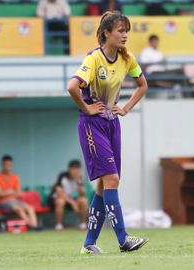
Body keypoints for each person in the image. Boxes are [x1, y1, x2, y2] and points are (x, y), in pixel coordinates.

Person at [67, 11, 149, 254]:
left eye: (127, 31)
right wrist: (87, 107)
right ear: (106, 33)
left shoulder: (127, 58)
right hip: (92, 125)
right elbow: (72, 86)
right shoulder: (93, 59)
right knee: (112, 179)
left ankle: (88, 244)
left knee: (105, 186)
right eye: (120, 31)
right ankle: (123, 239)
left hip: (112, 123)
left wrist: (125, 108)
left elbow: (143, 85)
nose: (125, 35)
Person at [0, 155, 40, 230]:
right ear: (2, 165)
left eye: (9, 165)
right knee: (19, 209)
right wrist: (12, 192)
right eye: (6, 165)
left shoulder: (15, 177)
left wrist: (9, 192)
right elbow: (0, 194)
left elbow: (19, 193)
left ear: (12, 165)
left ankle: (35, 226)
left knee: (30, 208)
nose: (8, 167)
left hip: (16, 200)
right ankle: (32, 226)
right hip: (4, 202)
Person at [48, 160, 88, 231]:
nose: (75, 171)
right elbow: (60, 193)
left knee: (83, 201)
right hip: (55, 199)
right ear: (69, 169)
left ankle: (83, 224)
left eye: (77, 169)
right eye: (73, 169)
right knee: (60, 201)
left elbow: (82, 194)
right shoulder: (62, 176)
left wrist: (78, 183)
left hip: (69, 200)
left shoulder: (79, 178)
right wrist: (73, 203)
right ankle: (58, 225)